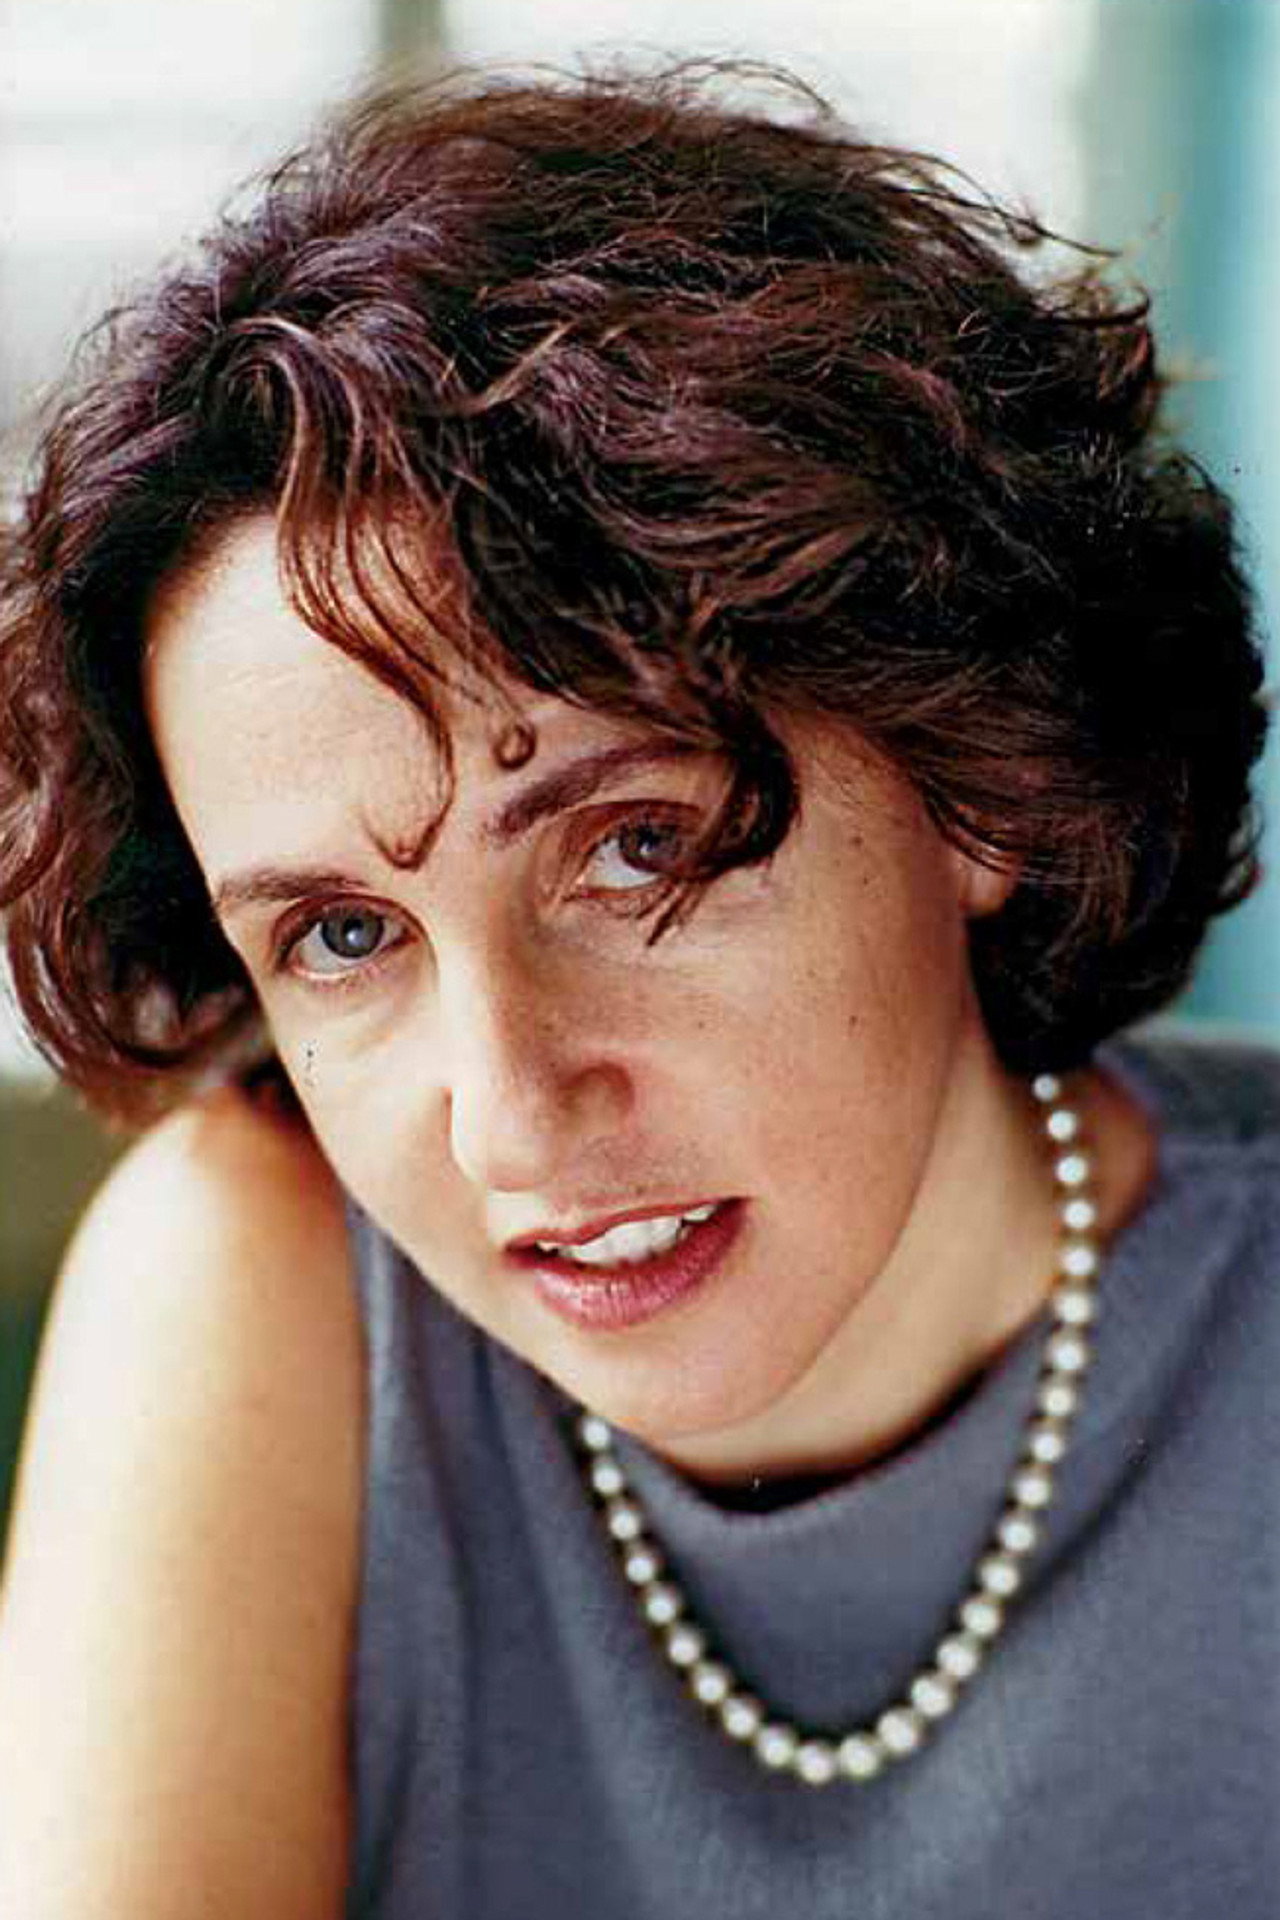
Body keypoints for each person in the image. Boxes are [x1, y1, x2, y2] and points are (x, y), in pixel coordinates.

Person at [0, 61, 1274, 1919]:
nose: (512, 1116)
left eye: (639, 847)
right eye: (343, 935)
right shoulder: (263, 1286)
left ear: (987, 782)